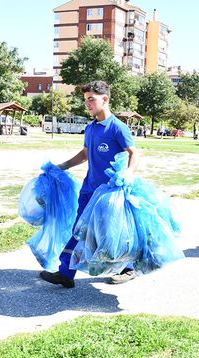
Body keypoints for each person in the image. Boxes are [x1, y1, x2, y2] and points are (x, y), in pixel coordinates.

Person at [39, 80, 139, 288]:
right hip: (89, 189)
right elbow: (85, 154)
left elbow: (133, 153)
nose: (87, 104)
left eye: (91, 99)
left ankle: (128, 268)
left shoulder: (117, 128)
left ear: (105, 99)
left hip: (111, 193)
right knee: (79, 229)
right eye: (85, 100)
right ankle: (66, 273)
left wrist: (129, 173)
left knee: (113, 231)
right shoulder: (90, 128)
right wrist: (62, 166)